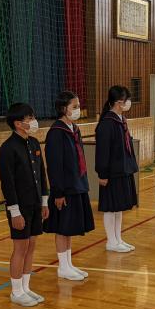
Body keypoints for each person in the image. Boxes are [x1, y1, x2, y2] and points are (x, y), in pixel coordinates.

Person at [0, 103, 50, 306]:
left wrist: (44, 201)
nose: (34, 121)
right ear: (18, 123)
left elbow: (42, 174)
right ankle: (16, 291)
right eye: (29, 119)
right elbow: (7, 183)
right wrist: (14, 212)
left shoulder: (34, 143)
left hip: (36, 203)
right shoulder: (8, 148)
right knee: (20, 247)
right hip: (20, 207)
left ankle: (26, 287)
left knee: (31, 245)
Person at [44, 91, 93, 281]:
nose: (78, 109)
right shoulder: (56, 133)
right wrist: (58, 192)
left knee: (70, 227)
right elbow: (55, 165)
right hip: (64, 188)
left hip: (77, 185)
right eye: (75, 106)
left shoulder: (74, 129)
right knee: (62, 227)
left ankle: (69, 264)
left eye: (78, 106)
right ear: (64, 109)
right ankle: (62, 267)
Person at [96, 85, 139, 253]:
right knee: (110, 207)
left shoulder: (121, 120)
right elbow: (103, 151)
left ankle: (118, 238)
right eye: (127, 100)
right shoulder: (107, 123)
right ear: (119, 102)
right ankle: (111, 241)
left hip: (123, 169)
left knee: (119, 207)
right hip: (112, 172)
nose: (129, 103)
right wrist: (102, 173)